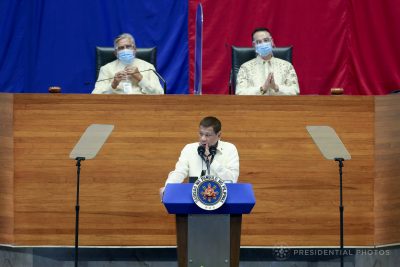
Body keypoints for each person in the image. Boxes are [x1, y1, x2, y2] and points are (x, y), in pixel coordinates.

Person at [159, 116, 239, 197]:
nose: (203, 138)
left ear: (219, 135)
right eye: (201, 134)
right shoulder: (189, 149)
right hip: (195, 200)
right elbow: (179, 172)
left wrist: (212, 161)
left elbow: (232, 179)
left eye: (208, 135)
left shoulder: (230, 149)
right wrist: (168, 188)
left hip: (222, 199)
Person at [92, 33, 164, 95]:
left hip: (142, 106)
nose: (125, 50)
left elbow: (160, 93)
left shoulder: (148, 67)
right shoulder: (106, 69)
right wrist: (113, 84)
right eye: (121, 48)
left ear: (134, 49)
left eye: (128, 46)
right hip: (117, 106)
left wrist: (140, 78)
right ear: (115, 53)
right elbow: (95, 95)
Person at [236, 27, 299, 95]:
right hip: (255, 105)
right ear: (254, 45)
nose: (263, 44)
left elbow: (295, 91)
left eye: (266, 40)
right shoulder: (245, 68)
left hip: (281, 104)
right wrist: (262, 88)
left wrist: (276, 87)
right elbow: (240, 92)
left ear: (272, 42)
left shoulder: (287, 66)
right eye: (259, 42)